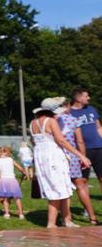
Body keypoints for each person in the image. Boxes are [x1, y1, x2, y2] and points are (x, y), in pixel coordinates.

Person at [30, 97, 84, 228]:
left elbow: (33, 141)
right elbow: (61, 141)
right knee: (57, 189)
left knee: (62, 187)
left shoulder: (33, 123)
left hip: (41, 158)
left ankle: (67, 220)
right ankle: (51, 223)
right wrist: (80, 155)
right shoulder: (51, 121)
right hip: (53, 156)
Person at [56, 98, 97, 224]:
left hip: (57, 156)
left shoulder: (52, 120)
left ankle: (65, 218)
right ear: (67, 106)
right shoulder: (73, 120)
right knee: (81, 186)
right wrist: (83, 157)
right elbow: (79, 141)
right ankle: (92, 217)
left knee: (62, 189)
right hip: (73, 156)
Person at [69, 88, 102, 193]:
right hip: (82, 150)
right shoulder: (69, 112)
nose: (89, 98)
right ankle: (87, 209)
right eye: (86, 96)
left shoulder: (91, 109)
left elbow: (99, 127)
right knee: (83, 180)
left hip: (98, 148)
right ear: (78, 98)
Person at [0, 146, 26, 219]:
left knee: (5, 198)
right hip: (12, 180)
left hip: (3, 180)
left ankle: (7, 214)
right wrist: (24, 173)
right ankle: (21, 214)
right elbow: (21, 169)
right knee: (17, 198)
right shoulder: (11, 159)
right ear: (5, 152)